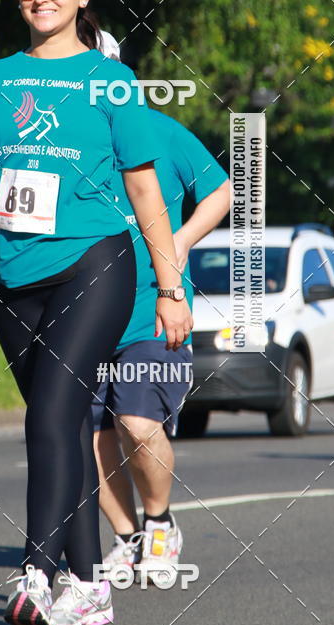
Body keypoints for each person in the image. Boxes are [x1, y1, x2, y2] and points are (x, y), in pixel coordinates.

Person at [0, 0, 192, 625]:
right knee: (66, 430)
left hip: (96, 264)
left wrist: (169, 288)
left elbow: (145, 190)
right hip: (11, 279)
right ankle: (90, 586)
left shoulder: (113, 83)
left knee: (50, 417)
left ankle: (36, 574)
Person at [90, 111, 230, 583]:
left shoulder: (159, 130)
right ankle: (127, 537)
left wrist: (182, 239)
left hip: (153, 315)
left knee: (136, 421)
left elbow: (221, 190)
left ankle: (160, 522)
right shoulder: (66, 135)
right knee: (87, 435)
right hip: (84, 318)